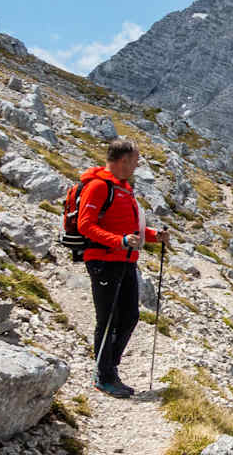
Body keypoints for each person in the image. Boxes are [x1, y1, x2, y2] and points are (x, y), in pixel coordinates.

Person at [76, 138, 158, 398]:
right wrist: (119, 241)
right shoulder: (99, 186)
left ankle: (110, 366)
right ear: (124, 160)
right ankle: (103, 375)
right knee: (108, 319)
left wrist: (154, 235)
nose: (137, 164)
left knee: (130, 316)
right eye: (135, 160)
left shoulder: (123, 188)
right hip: (103, 260)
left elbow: (128, 227)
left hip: (125, 260)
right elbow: (85, 225)